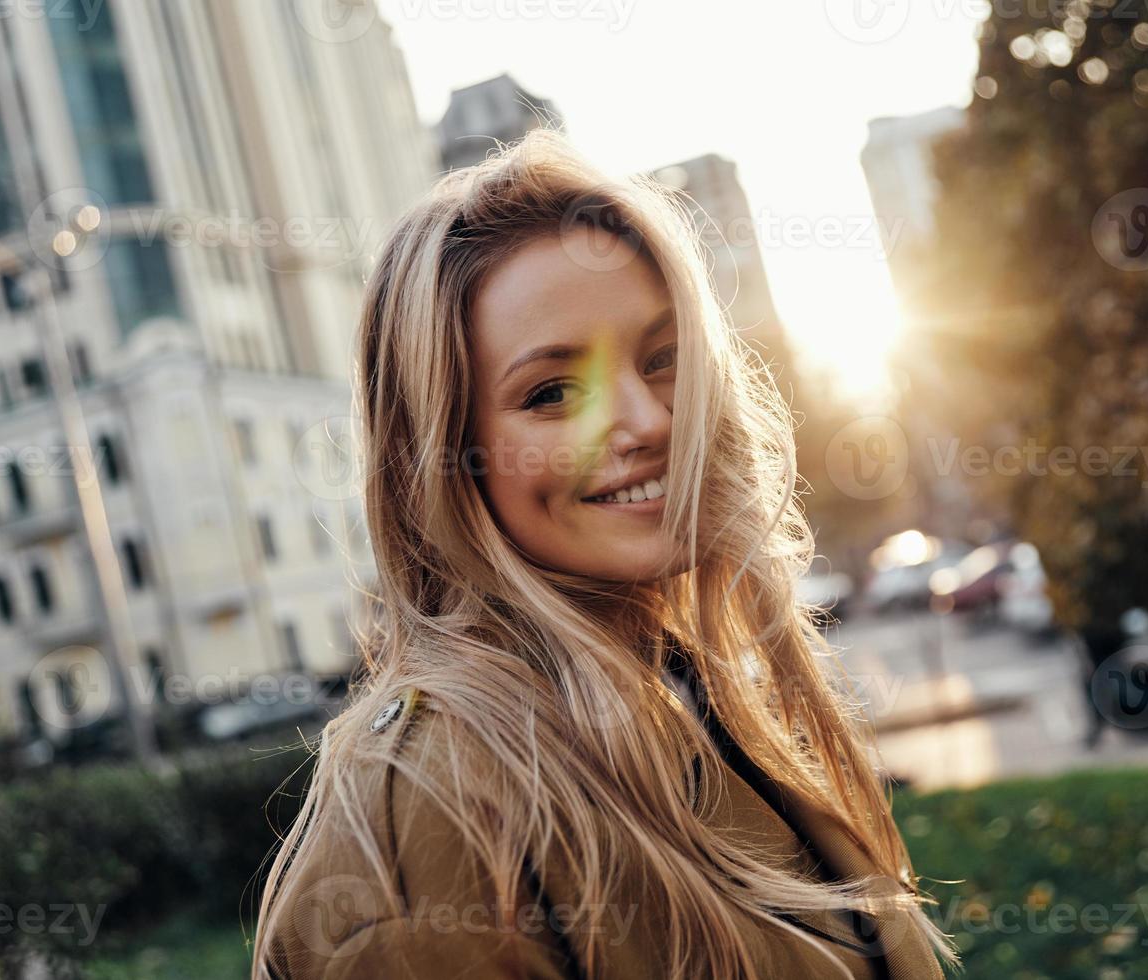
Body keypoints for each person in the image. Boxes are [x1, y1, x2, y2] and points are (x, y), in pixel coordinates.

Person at [252, 130, 956, 980]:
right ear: (443, 456)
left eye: (662, 359)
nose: (651, 419)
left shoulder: (691, 694)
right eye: (552, 392)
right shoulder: (432, 833)